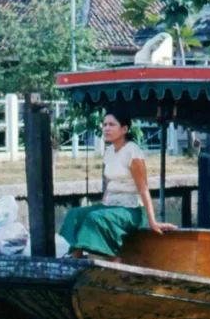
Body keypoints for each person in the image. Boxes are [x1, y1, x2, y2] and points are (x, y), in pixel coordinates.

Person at [60, 108, 175, 260]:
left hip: (132, 210)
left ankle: (115, 260)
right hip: (111, 206)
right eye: (105, 124)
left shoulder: (133, 152)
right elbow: (109, 185)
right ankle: (76, 260)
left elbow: (144, 189)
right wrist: (102, 205)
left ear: (124, 129)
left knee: (96, 218)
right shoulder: (108, 152)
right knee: (75, 214)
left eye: (112, 125)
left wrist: (152, 221)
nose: (106, 128)